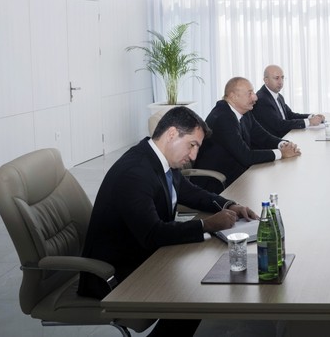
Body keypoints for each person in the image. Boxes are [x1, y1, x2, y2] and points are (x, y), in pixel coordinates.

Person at [78, 106, 257, 336]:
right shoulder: (135, 172)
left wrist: (229, 205)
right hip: (116, 273)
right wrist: (207, 225)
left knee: (203, 278)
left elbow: (191, 192)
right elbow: (153, 234)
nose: (193, 156)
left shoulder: (159, 159)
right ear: (172, 134)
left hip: (145, 256)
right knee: (192, 297)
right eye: (192, 145)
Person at [193, 77, 300, 191]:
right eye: (250, 93)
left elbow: (263, 137)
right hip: (218, 183)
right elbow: (246, 156)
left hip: (240, 174)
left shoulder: (244, 112)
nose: (255, 97)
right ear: (233, 96)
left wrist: (284, 144)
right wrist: (281, 153)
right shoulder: (223, 118)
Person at [254, 64, 324, 136]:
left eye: (282, 78)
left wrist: (311, 117)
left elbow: (290, 115)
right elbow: (278, 125)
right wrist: (308, 122)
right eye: (276, 78)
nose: (280, 82)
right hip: (275, 140)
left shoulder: (278, 96)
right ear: (266, 80)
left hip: (286, 136)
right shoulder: (262, 99)